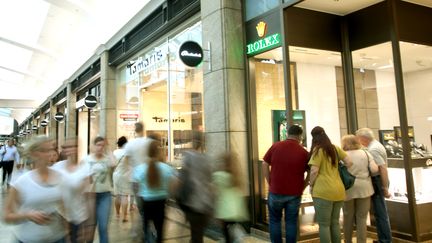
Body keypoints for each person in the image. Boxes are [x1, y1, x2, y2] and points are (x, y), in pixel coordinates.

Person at [3, 136, 66, 243]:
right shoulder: (21, 181)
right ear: (34, 153)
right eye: (44, 150)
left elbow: (63, 207)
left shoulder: (59, 176)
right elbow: (6, 216)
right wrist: (28, 215)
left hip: (57, 237)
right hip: (28, 239)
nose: (49, 153)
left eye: (51, 149)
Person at [262, 124, 309, 243]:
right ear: (300, 136)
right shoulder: (303, 152)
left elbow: (264, 163)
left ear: (287, 134)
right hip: (294, 193)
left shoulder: (276, 146)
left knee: (274, 221)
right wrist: (304, 185)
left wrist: (270, 181)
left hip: (276, 191)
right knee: (291, 222)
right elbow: (311, 171)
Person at [308, 126, 352, 243]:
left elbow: (314, 171)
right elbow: (349, 162)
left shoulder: (318, 151)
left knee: (324, 225)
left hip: (323, 191)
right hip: (339, 190)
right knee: (335, 222)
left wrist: (311, 185)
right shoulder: (335, 148)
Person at [133, 140, 175, 243]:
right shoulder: (167, 169)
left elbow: (135, 187)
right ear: (159, 152)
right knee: (160, 232)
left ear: (147, 153)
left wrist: (140, 195)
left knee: (146, 231)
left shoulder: (140, 169)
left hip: (146, 203)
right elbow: (173, 185)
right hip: (161, 203)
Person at [176, 131, 214, 243]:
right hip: (205, 203)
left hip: (192, 202)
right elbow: (211, 181)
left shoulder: (188, 157)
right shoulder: (207, 159)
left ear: (193, 141)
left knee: (196, 233)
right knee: (198, 233)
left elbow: (181, 179)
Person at [356, 128, 392, 243]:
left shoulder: (373, 149)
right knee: (380, 212)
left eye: (358, 138)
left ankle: (385, 240)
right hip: (378, 181)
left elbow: (382, 168)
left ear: (363, 138)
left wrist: (385, 187)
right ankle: (383, 238)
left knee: (380, 213)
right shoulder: (376, 145)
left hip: (377, 181)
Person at [51, 138, 91, 243]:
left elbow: (88, 196)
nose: (65, 149)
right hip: (59, 217)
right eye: (64, 147)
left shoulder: (85, 168)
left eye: (69, 146)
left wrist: (88, 226)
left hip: (76, 217)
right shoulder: (57, 167)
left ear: (78, 148)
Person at [341, 135, 379, 243]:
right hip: (365, 188)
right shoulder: (366, 153)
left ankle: (347, 240)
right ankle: (361, 241)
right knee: (362, 218)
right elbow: (374, 169)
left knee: (347, 217)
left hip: (347, 189)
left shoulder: (342, 155)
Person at [83, 136, 116, 243]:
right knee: (90, 228)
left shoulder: (107, 159)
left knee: (103, 227)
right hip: (89, 196)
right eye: (98, 145)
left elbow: (113, 164)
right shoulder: (86, 159)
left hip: (104, 196)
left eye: (103, 145)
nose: (100, 148)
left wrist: (109, 147)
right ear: (93, 146)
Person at [213, 152, 249, 243]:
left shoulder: (219, 176)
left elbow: (213, 191)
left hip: (225, 212)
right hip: (236, 212)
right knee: (233, 233)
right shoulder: (237, 177)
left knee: (227, 235)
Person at [113, 136, 134, 222]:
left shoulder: (115, 152)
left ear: (118, 144)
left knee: (117, 195)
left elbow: (112, 164)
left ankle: (117, 214)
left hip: (116, 175)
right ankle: (124, 216)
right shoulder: (128, 152)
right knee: (125, 196)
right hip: (126, 176)